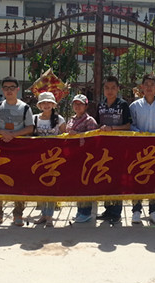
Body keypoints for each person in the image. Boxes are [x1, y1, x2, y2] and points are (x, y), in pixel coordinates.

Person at [0, 77, 34, 227]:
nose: (9, 90)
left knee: (19, 180)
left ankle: (18, 214)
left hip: (18, 150)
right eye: (6, 88)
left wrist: (13, 135)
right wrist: (1, 132)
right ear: (2, 90)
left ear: (17, 89)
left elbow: (30, 127)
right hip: (0, 149)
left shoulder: (25, 108)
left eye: (12, 87)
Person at [129, 73, 155, 225]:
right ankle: (136, 211)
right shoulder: (134, 106)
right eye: (146, 84)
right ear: (141, 87)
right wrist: (137, 132)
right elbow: (131, 125)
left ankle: (154, 210)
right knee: (138, 178)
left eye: (151, 85)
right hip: (139, 148)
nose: (148, 87)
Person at [95, 76, 131, 223]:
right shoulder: (100, 105)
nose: (110, 91)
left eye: (113, 88)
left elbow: (128, 126)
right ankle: (107, 210)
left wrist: (112, 128)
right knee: (105, 177)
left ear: (118, 89)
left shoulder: (123, 105)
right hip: (103, 147)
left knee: (117, 178)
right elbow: (97, 124)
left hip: (118, 146)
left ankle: (116, 212)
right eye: (107, 88)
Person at [32, 91, 66, 228]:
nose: (46, 105)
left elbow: (65, 137)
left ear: (53, 104)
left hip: (54, 159)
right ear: (39, 105)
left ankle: (50, 216)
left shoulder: (59, 120)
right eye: (43, 103)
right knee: (41, 187)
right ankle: (43, 214)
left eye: (49, 102)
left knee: (51, 187)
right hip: (39, 158)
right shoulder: (34, 119)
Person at [65, 94, 99, 223]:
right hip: (73, 156)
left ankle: (86, 212)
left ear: (86, 106)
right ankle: (80, 210)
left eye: (80, 104)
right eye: (75, 104)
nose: (77, 106)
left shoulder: (90, 121)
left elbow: (92, 139)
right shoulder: (71, 119)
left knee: (85, 184)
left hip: (85, 157)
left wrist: (77, 135)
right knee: (77, 184)